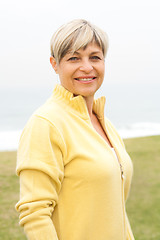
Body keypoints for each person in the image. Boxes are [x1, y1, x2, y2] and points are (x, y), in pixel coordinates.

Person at [16, 19, 135, 240]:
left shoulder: (104, 123)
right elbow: (35, 213)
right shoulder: (46, 123)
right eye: (74, 58)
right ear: (55, 64)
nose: (87, 67)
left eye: (95, 57)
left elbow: (115, 209)